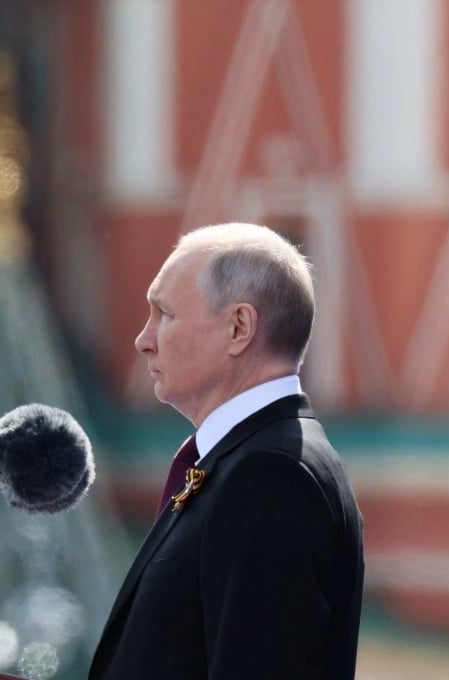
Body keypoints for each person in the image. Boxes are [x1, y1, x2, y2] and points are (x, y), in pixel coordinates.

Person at [89, 222, 364, 679]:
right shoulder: (244, 462)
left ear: (239, 327)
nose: (144, 339)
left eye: (164, 314)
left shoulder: (271, 476)